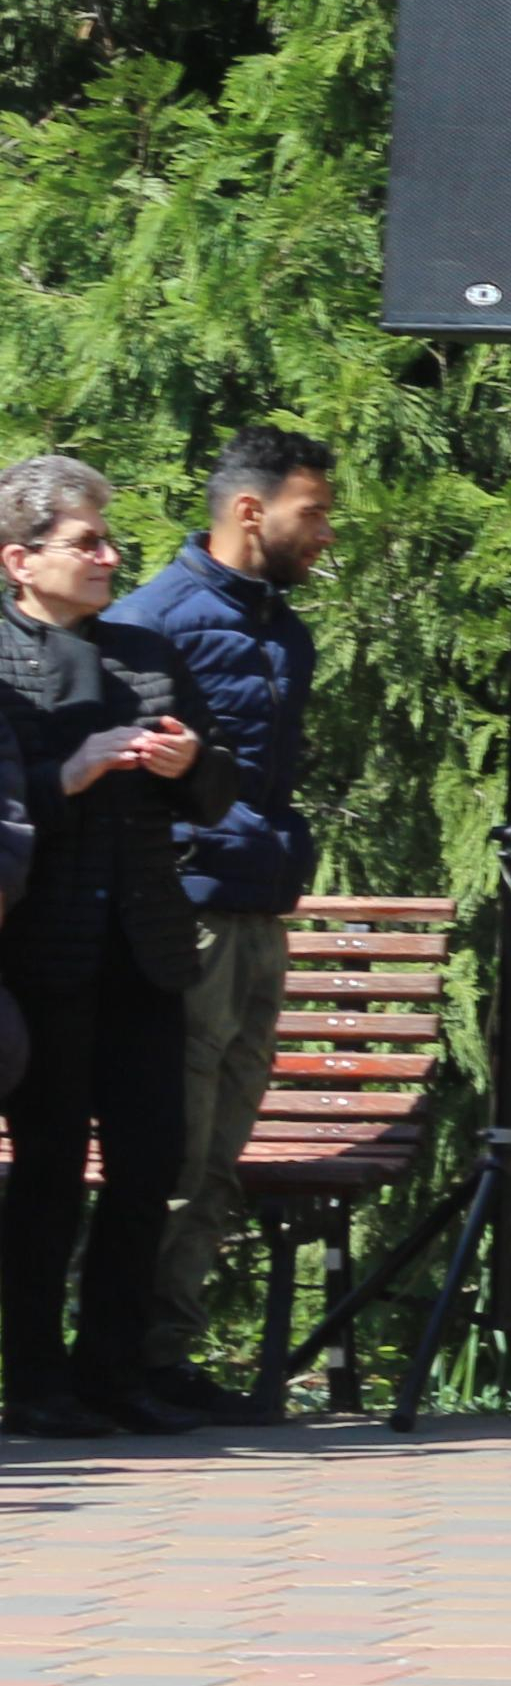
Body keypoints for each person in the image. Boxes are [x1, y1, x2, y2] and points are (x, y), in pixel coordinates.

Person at [120, 425, 337, 1415]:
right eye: (314, 512)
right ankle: (123, 1363)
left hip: (260, 908)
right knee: (174, 1145)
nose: (325, 534)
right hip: (191, 914)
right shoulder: (153, 622)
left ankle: (167, 1355)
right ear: (250, 510)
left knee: (220, 1156)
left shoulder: (281, 625)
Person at [0, 456, 214, 1439]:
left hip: (146, 948)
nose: (109, 556)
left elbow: (218, 795)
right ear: (20, 559)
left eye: (107, 538)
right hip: (45, 954)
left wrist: (189, 765)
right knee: (47, 1171)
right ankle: (36, 1382)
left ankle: (115, 1373)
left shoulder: (144, 651)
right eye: (86, 542)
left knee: (149, 1163)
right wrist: (65, 776)